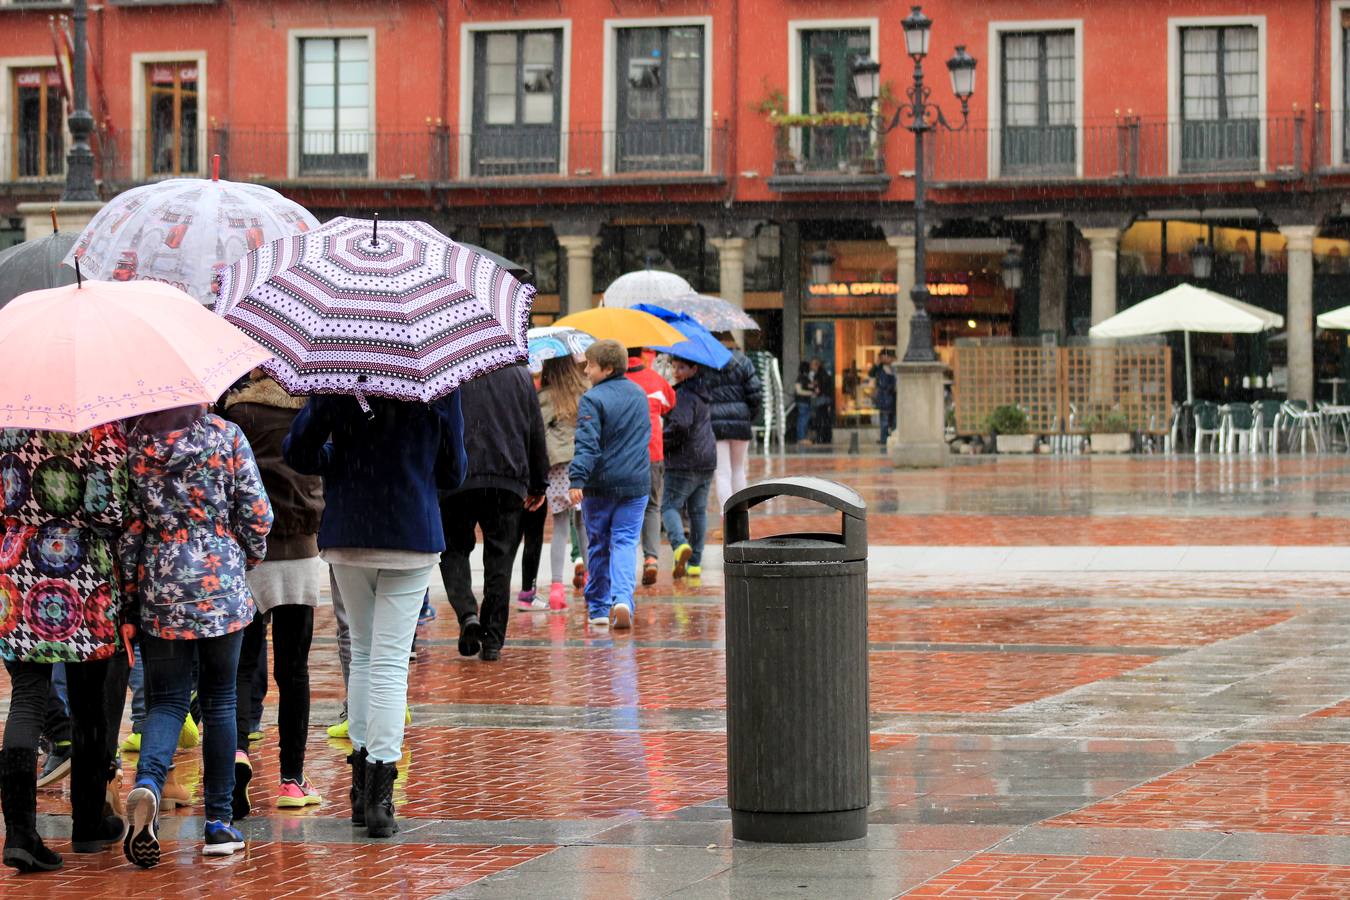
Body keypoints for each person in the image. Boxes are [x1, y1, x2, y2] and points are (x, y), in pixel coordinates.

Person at [286, 392, 465, 839]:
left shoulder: (341, 374)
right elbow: (454, 470)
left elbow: (299, 451)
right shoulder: (437, 381)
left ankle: (360, 788)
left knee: (364, 655)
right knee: (388, 660)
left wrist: (338, 457)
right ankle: (380, 797)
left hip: (350, 528)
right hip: (410, 527)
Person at [119, 405, 273, 866]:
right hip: (219, 576)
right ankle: (219, 824)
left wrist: (131, 591)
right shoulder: (226, 436)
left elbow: (129, 529)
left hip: (161, 583)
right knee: (220, 700)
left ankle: (148, 783)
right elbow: (257, 513)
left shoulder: (135, 442)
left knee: (167, 699)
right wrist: (242, 554)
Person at [0, 425, 130, 873]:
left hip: (17, 565)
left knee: (27, 695)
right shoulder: (99, 427)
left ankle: (19, 832)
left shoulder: (8, 421)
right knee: (89, 701)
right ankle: (89, 822)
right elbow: (106, 509)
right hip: (82, 567)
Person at [221, 372, 325, 819]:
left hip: (249, 556)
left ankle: (239, 754)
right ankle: (292, 779)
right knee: (294, 671)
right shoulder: (310, 410)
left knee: (242, 667)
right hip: (300, 550)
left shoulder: (237, 413)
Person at [438, 365, 547, 661]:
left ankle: (467, 614)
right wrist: (539, 481)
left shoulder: (449, 369)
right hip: (507, 476)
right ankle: (493, 638)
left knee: (453, 550)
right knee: (500, 558)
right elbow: (534, 428)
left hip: (456, 476)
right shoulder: (519, 375)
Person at [569, 340, 651, 631]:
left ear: (607, 367)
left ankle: (599, 607)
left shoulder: (593, 399)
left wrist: (577, 478)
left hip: (600, 486)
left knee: (599, 544)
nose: (586, 370)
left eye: (590, 365)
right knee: (626, 542)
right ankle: (623, 599)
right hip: (635, 483)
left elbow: (587, 444)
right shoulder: (639, 395)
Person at [532, 356, 591, 611]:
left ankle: (557, 589)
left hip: (557, 467)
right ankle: (591, 579)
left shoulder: (544, 396)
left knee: (559, 527)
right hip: (582, 463)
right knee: (584, 525)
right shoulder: (586, 391)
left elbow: (538, 430)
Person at [661, 358, 717, 579]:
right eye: (674, 367)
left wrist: (661, 441)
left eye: (682, 367)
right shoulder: (702, 392)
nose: (676, 371)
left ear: (694, 369)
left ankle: (680, 544)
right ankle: (694, 563)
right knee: (697, 511)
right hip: (706, 458)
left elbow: (681, 425)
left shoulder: (684, 394)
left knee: (668, 506)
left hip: (684, 460)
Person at [625, 350, 675, 586]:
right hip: (653, 451)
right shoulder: (656, 379)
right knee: (652, 507)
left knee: (625, 506)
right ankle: (651, 559)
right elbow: (670, 403)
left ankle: (624, 560)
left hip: (624, 455)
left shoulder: (616, 381)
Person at [701, 342, 762, 511]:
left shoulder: (707, 362)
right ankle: (742, 517)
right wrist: (748, 416)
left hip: (716, 423)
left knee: (722, 472)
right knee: (738, 469)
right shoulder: (744, 362)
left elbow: (702, 392)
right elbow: (755, 393)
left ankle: (727, 521)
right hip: (741, 422)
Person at [796, 357, 830, 445]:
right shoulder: (803, 378)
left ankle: (803, 437)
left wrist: (814, 389)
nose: (810, 369)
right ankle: (801, 438)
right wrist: (812, 392)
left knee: (805, 419)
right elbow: (800, 390)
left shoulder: (807, 377)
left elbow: (811, 386)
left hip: (806, 402)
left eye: (812, 365)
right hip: (804, 402)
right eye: (809, 367)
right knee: (803, 420)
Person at [869, 349, 898, 446]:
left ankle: (892, 437)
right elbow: (871, 373)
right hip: (884, 398)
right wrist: (876, 364)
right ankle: (884, 438)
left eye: (882, 357)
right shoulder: (880, 368)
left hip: (892, 397)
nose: (881, 359)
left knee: (893, 419)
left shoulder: (894, 367)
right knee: (885, 419)